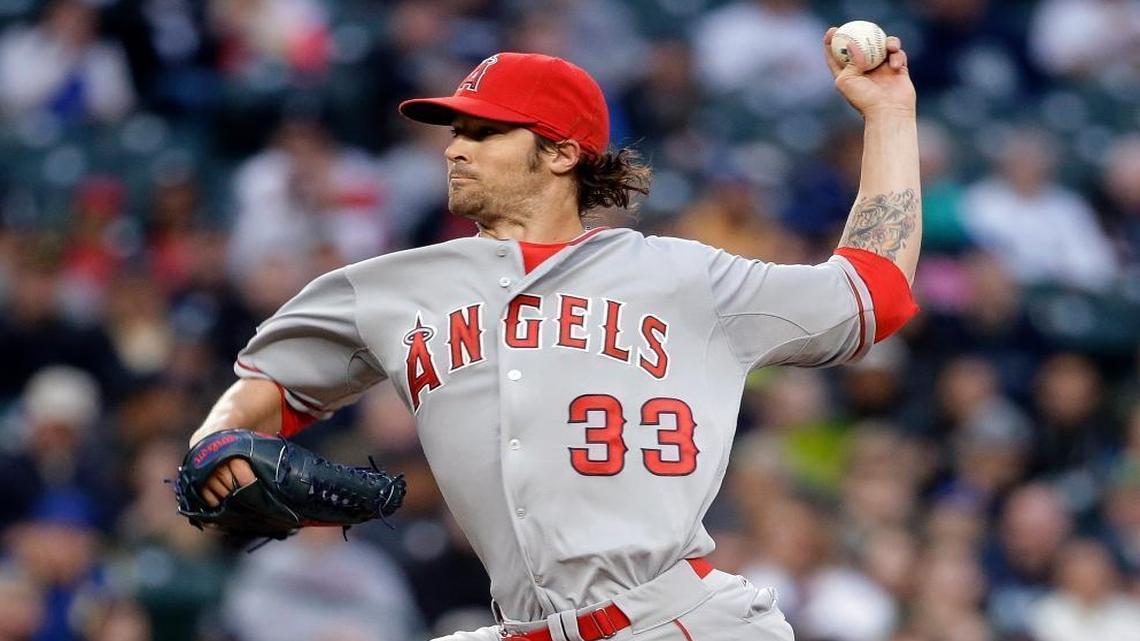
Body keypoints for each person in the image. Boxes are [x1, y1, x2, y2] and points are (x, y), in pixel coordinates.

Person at [186, 27, 921, 641]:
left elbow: (871, 291)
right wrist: (218, 443)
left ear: (563, 152)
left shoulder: (685, 276)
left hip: (677, 619)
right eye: (454, 131)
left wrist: (888, 114)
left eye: (483, 130)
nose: (454, 147)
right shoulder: (389, 287)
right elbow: (266, 390)